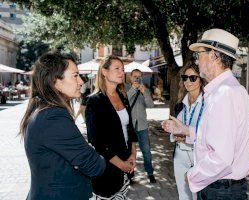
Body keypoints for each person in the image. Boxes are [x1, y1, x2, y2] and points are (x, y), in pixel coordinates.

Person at [162, 28, 249, 199]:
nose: (197, 61)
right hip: (223, 188)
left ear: (214, 55)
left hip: (220, 189)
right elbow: (216, 137)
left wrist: (192, 176)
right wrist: (186, 130)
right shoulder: (227, 90)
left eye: (200, 54)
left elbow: (221, 157)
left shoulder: (224, 93)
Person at [19, 51, 106, 200]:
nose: (81, 81)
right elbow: (96, 166)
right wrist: (92, 153)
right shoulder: (53, 117)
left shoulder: (44, 110)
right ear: (56, 81)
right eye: (75, 75)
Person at [85, 55, 138, 199]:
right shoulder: (94, 101)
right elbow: (97, 142)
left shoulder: (123, 96)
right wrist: (121, 164)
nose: (122, 72)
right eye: (117, 69)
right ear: (104, 71)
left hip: (126, 164)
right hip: (107, 167)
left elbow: (130, 129)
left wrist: (133, 154)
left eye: (123, 69)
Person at [171, 63, 204, 200]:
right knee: (183, 196)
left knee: (198, 196)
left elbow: (210, 133)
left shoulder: (209, 103)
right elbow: (176, 128)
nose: (188, 82)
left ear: (201, 80)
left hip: (199, 156)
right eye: (185, 78)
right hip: (180, 155)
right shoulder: (179, 104)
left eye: (193, 78)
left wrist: (187, 135)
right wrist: (172, 130)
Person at [126, 69, 156, 183]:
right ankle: (130, 174)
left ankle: (150, 172)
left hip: (142, 126)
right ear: (130, 77)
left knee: (146, 151)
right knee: (129, 152)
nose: (137, 79)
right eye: (135, 76)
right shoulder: (126, 89)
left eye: (139, 76)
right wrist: (134, 89)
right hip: (130, 126)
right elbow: (126, 102)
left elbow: (151, 105)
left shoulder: (145, 89)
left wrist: (145, 93)